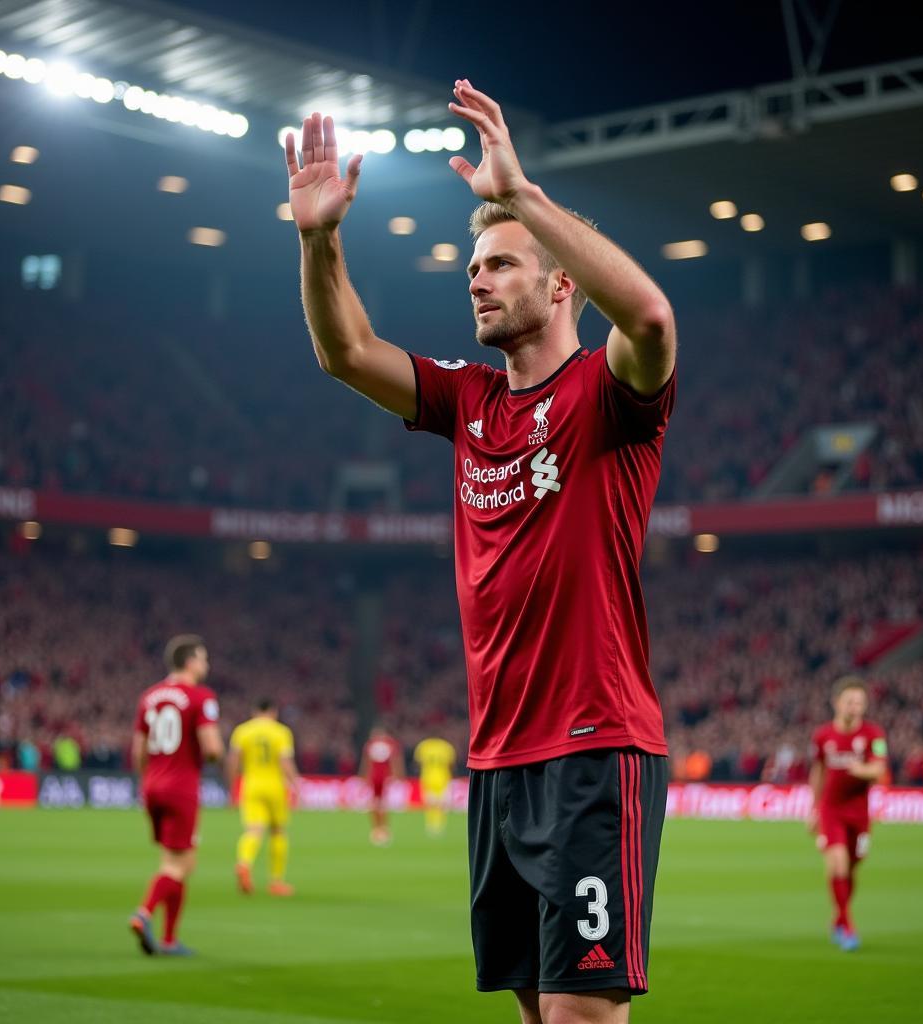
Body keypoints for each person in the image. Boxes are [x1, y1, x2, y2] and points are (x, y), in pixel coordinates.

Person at [286, 76, 677, 1024]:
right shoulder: (469, 403)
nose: (477, 277)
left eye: (501, 263)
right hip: (498, 761)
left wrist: (520, 201)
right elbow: (346, 353)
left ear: (559, 283)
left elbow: (654, 322)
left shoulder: (604, 397)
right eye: (476, 266)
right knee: (534, 1012)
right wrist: (318, 238)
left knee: (583, 1013)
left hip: (593, 747)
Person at [128, 635, 223, 956]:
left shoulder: (149, 696)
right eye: (203, 658)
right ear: (190, 661)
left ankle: (169, 940)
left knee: (172, 860)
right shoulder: (200, 697)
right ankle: (144, 912)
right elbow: (210, 747)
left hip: (152, 785)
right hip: (181, 786)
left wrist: (148, 781)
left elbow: (138, 750)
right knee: (182, 865)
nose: (206, 665)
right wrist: (216, 754)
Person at [808, 676, 888, 952]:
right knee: (839, 863)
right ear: (837, 703)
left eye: (860, 702)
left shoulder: (874, 734)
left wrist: (860, 769)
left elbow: (879, 768)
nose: (855, 706)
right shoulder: (823, 736)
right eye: (850, 701)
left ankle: (838, 919)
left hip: (859, 812)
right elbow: (818, 771)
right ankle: (848, 926)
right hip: (832, 809)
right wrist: (814, 809)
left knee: (852, 867)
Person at [227, 698, 298, 896]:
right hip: (274, 785)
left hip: (251, 785)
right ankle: (276, 881)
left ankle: (244, 863)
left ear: (254, 711)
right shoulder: (280, 731)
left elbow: (233, 760)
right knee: (277, 831)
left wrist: (233, 786)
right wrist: (295, 783)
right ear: (273, 712)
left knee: (253, 830)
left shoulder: (242, 731)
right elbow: (285, 761)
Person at [360, 724, 404, 845]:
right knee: (383, 804)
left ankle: (376, 829)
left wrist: (364, 776)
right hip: (385, 776)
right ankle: (384, 829)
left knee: (374, 803)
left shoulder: (370, 744)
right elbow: (395, 761)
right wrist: (398, 775)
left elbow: (366, 762)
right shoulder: (390, 743)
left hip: (374, 776)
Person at [413, 735, 457, 836]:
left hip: (427, 776)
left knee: (430, 801)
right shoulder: (446, 746)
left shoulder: (424, 745)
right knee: (441, 802)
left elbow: (417, 763)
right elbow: (451, 764)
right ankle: (439, 825)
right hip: (443, 776)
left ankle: (431, 824)